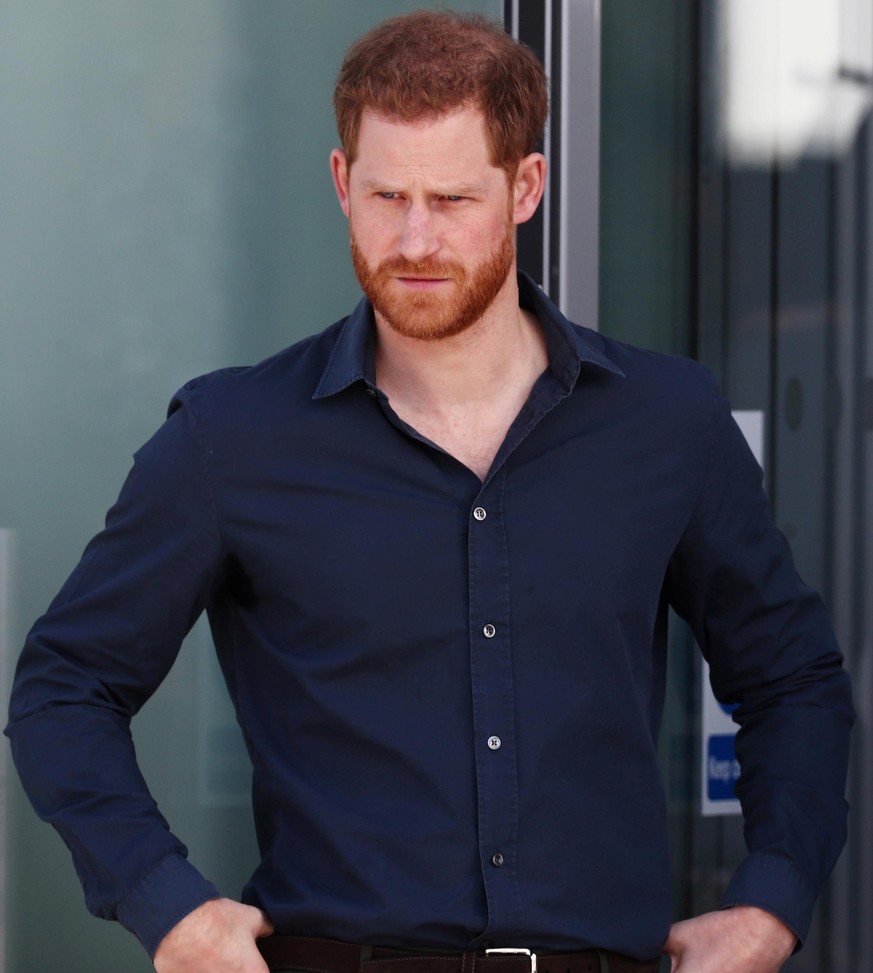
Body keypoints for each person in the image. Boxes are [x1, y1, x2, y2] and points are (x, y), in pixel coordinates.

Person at [6, 10, 853, 973]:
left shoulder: (666, 423)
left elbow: (791, 680)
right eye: (386, 196)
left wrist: (772, 901)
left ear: (525, 186)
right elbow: (64, 687)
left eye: (451, 198)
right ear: (340, 184)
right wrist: (172, 908)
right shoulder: (229, 437)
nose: (414, 239)